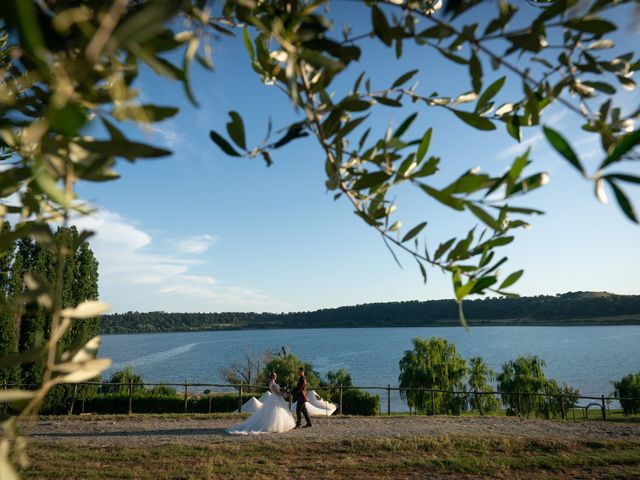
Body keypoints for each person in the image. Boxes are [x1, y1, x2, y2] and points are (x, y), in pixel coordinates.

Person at [226, 372, 295, 434]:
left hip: (275, 398)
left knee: (277, 412)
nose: (276, 376)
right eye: (275, 375)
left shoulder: (273, 383)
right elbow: (277, 393)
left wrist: (284, 393)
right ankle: (274, 426)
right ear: (272, 377)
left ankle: (277, 426)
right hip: (275, 399)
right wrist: (285, 393)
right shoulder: (273, 384)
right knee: (274, 413)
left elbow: (278, 392)